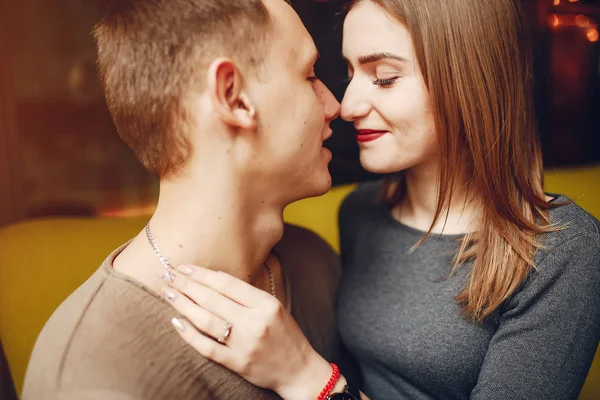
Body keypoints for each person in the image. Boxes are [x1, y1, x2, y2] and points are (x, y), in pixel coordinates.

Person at [169, 0, 600, 399]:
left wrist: (302, 375)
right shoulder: (361, 212)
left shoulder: (562, 249)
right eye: (350, 74)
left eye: (385, 78)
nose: (349, 104)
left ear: (468, 80)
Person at [20, 0, 363, 399]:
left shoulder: (315, 266)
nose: (335, 106)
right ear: (233, 96)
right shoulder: (90, 373)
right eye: (309, 75)